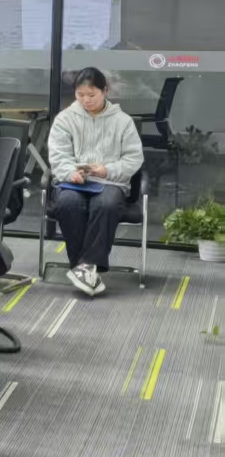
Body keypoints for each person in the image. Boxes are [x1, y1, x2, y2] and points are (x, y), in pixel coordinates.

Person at [48, 66, 144, 298]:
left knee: (106, 204)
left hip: (111, 182)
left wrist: (107, 170)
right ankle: (87, 269)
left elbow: (134, 158)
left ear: (105, 91)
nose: (86, 100)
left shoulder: (122, 121)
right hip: (74, 182)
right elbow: (58, 155)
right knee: (68, 203)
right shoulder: (65, 119)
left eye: (91, 95)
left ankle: (84, 266)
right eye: (80, 95)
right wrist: (70, 172)